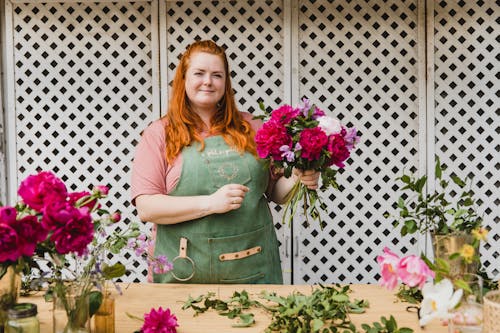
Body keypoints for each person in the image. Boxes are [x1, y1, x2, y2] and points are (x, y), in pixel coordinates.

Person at [131, 40, 319, 284]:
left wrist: (297, 178)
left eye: (217, 75)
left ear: (226, 83)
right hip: (184, 275)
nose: (208, 81)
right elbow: (147, 207)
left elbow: (276, 194)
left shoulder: (252, 127)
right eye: (199, 73)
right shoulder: (159, 134)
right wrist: (210, 203)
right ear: (183, 79)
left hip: (253, 270)